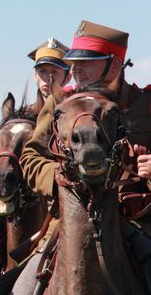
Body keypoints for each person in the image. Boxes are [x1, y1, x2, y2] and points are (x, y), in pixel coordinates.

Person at [18, 20, 151, 289]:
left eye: (86, 62)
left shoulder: (146, 104)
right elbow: (30, 156)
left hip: (138, 219)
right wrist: (57, 179)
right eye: (73, 62)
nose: (75, 69)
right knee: (23, 283)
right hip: (71, 219)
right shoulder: (62, 103)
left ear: (114, 64)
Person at [27, 38, 71, 105]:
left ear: (68, 78)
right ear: (35, 76)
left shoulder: (76, 114)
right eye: (42, 71)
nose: (47, 78)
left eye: (54, 72)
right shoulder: (25, 114)